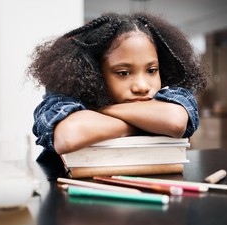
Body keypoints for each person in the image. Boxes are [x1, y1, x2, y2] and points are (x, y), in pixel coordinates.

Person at [28, 12, 207, 160]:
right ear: (94, 73)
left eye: (151, 70)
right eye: (123, 73)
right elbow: (69, 135)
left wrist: (100, 110)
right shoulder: (64, 99)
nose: (142, 86)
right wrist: (147, 123)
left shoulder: (172, 96)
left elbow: (174, 122)